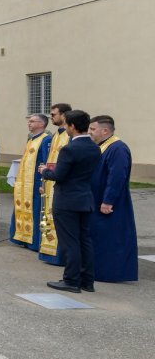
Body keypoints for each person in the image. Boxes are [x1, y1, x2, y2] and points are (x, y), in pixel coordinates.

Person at [40, 110, 99, 293]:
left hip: (67, 200)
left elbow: (59, 175)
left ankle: (71, 280)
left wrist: (44, 171)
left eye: (66, 124)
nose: (64, 127)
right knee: (84, 240)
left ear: (72, 126)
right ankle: (87, 281)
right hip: (85, 198)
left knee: (70, 242)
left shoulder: (69, 149)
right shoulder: (94, 147)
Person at [87, 115, 138, 283]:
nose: (89, 132)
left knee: (112, 238)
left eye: (93, 129)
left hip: (110, 202)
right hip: (97, 198)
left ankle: (111, 273)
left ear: (105, 131)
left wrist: (108, 200)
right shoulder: (103, 146)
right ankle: (98, 270)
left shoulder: (118, 148)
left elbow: (117, 176)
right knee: (100, 237)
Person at [9, 114, 51, 251]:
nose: (29, 123)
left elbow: (46, 162)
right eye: (29, 121)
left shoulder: (46, 139)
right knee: (23, 208)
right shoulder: (31, 139)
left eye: (32, 121)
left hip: (36, 182)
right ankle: (22, 237)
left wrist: (43, 183)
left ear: (42, 124)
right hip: (25, 182)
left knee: (36, 210)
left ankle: (34, 241)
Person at [38, 103, 73, 265]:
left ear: (64, 115)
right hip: (51, 180)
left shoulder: (69, 135)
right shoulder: (55, 135)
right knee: (49, 215)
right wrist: (44, 182)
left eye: (53, 115)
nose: (51, 117)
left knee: (60, 219)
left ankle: (60, 256)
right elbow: (49, 160)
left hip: (62, 181)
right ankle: (49, 253)